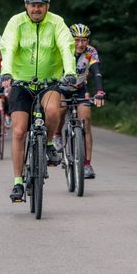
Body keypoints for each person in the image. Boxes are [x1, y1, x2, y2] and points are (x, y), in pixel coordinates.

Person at [0, 0, 77, 202]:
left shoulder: (56, 22)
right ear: (26, 6)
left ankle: (49, 143)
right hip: (21, 82)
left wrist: (70, 72)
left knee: (52, 111)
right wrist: (6, 72)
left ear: (47, 6)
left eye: (41, 5)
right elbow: (8, 47)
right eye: (33, 5)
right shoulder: (16, 22)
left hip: (49, 82)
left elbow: (66, 46)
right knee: (19, 131)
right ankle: (18, 182)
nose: (36, 9)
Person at [54, 23, 105, 179]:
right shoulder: (63, 49)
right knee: (61, 109)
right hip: (61, 88)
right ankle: (57, 134)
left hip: (80, 88)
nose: (81, 44)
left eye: (84, 40)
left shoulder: (90, 52)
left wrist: (100, 92)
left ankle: (87, 164)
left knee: (86, 120)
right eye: (77, 40)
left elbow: (96, 72)